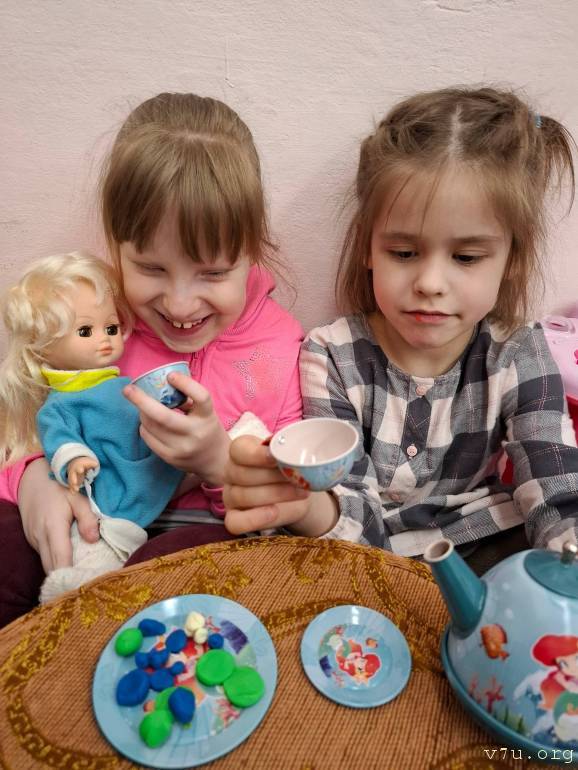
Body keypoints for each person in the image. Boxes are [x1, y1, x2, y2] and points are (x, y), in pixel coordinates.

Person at [223, 86, 578, 560]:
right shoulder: (331, 354)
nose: (430, 283)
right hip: (363, 550)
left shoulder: (518, 350)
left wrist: (568, 550)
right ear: (368, 248)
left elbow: (556, 485)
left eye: (466, 257)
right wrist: (306, 505)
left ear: (511, 259)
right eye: (404, 253)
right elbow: (350, 504)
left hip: (481, 539)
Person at [0, 93, 303, 626]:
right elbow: (31, 427)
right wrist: (32, 481)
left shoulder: (278, 347)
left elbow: (285, 507)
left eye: (213, 273)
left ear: (252, 250)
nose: (180, 305)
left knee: (170, 577)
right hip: (85, 520)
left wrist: (216, 463)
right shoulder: (99, 321)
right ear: (116, 246)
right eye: (151, 268)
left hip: (207, 540)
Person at [0, 252, 185, 601]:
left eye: (111, 328)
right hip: (106, 493)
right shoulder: (61, 403)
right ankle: (74, 587)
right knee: (91, 545)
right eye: (85, 331)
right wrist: (75, 459)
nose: (105, 339)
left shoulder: (122, 382)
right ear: (43, 348)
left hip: (147, 469)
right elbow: (60, 438)